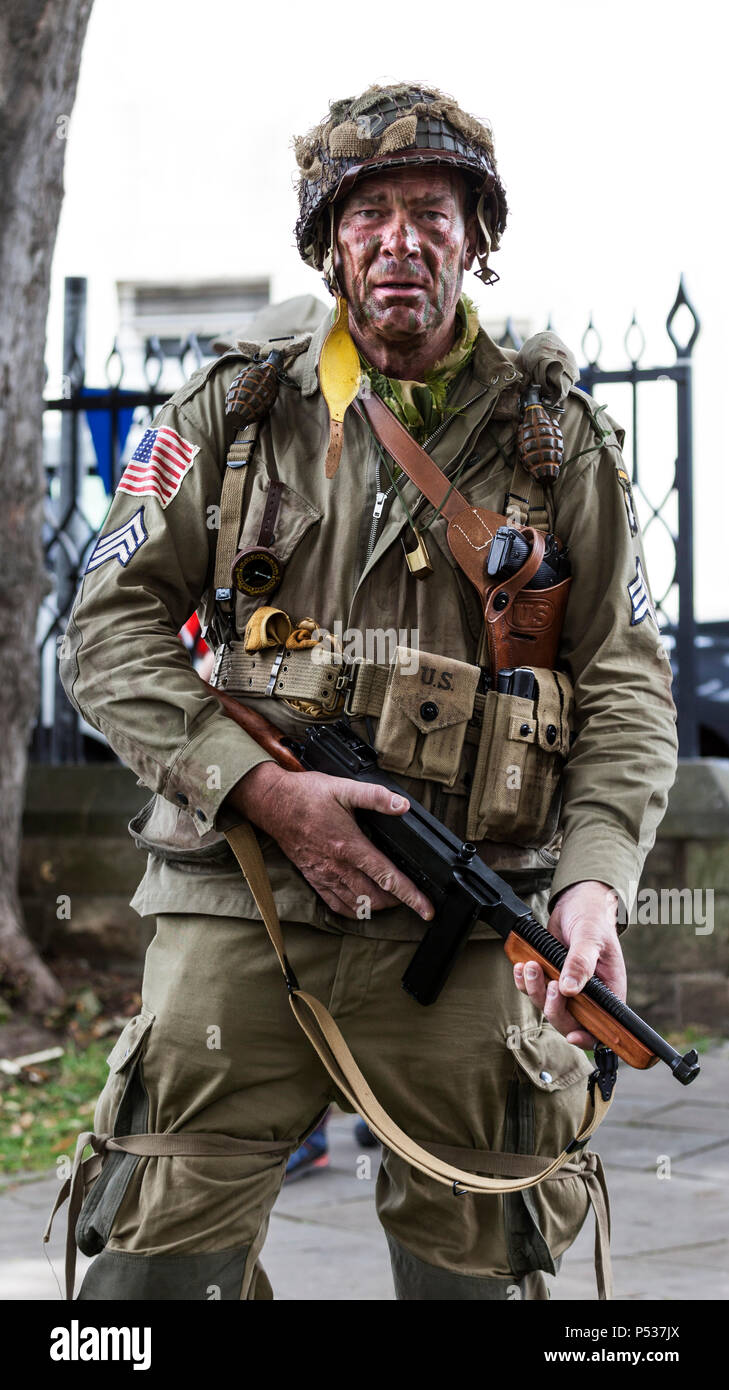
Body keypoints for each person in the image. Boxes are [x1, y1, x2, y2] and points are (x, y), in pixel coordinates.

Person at [55, 83, 677, 1301]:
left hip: (459, 931)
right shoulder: (233, 413)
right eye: (370, 212)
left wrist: (597, 877)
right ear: (329, 239)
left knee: (479, 1279)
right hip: (242, 904)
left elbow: (627, 686)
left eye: (431, 212)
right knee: (141, 1292)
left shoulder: (560, 440)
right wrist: (263, 794)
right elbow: (106, 631)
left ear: (476, 235)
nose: (401, 241)